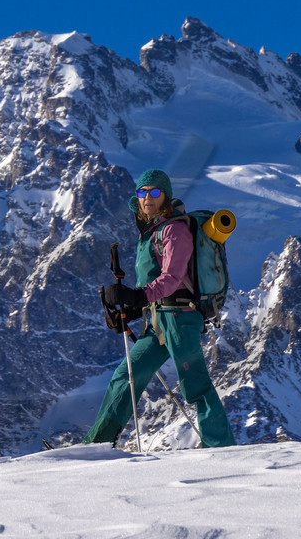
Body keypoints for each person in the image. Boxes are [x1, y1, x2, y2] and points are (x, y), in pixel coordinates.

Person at [85, 169, 236, 448]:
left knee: (195, 385)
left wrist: (137, 297)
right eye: (142, 192)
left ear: (166, 196)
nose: (147, 198)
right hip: (158, 320)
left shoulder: (175, 230)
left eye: (154, 192)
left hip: (181, 317)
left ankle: (222, 448)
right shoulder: (151, 233)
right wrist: (131, 310)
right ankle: (95, 445)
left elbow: (172, 277)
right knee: (125, 377)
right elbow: (153, 288)